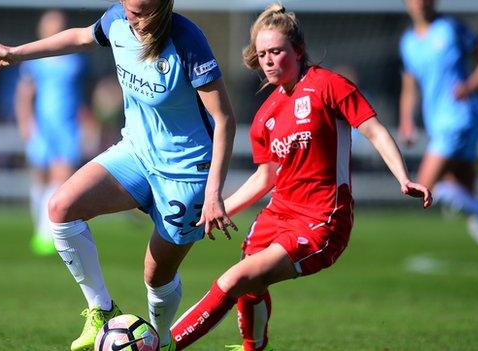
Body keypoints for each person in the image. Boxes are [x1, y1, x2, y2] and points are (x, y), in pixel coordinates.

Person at [0, 1, 237, 350]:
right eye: (129, 11)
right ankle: (102, 311)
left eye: (141, 14)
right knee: (61, 208)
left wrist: (214, 192)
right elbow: (82, 37)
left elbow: (225, 119)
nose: (133, 20)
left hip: (186, 171)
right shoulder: (116, 19)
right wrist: (15, 54)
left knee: (156, 276)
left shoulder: (187, 40)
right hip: (136, 152)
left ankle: (161, 339)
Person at [168, 4, 432, 351]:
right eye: (262, 54)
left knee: (235, 279)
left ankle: (161, 346)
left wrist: (403, 177)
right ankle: (255, 346)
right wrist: (219, 209)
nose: (268, 60)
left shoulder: (328, 85)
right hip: (278, 214)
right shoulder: (266, 114)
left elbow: (375, 131)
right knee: (249, 278)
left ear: (298, 50)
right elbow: (266, 178)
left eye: (276, 51)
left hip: (321, 219)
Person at [398, 0, 478, 289]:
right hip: (438, 124)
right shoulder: (408, 42)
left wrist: (471, 86)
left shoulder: (450, 29)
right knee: (465, 196)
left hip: (461, 118)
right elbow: (409, 86)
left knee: (425, 186)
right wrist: (407, 120)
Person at [14, 10, 88, 256]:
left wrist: (88, 122)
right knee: (40, 178)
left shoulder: (75, 59)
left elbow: (82, 96)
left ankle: (47, 233)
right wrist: (26, 123)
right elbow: (25, 95)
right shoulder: (34, 60)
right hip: (43, 126)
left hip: (67, 127)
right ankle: (40, 227)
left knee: (61, 178)